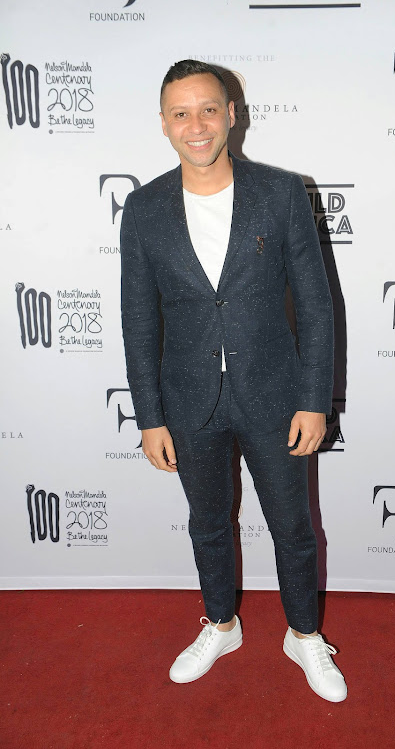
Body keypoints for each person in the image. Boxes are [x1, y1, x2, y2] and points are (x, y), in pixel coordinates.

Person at [120, 59, 347, 703]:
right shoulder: (143, 209)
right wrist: (149, 416)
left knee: (292, 526)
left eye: (208, 110)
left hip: (275, 396)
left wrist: (314, 400)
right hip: (189, 401)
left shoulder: (281, 193)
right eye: (181, 113)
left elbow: (317, 305)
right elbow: (138, 320)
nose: (196, 126)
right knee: (207, 523)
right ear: (163, 123)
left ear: (232, 115)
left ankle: (304, 635)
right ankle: (221, 623)